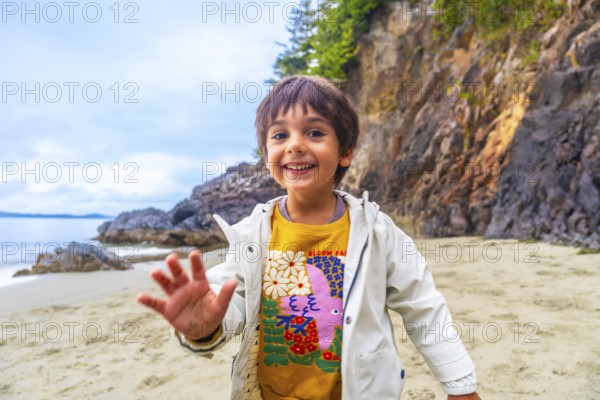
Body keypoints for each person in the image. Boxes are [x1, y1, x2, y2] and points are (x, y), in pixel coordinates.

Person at [137, 75, 481, 399]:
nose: (296, 145)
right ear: (265, 153)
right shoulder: (254, 235)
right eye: (280, 135)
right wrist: (202, 328)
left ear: (345, 151)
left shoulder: (377, 232)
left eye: (314, 133)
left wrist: (460, 383)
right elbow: (235, 301)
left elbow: (424, 308)